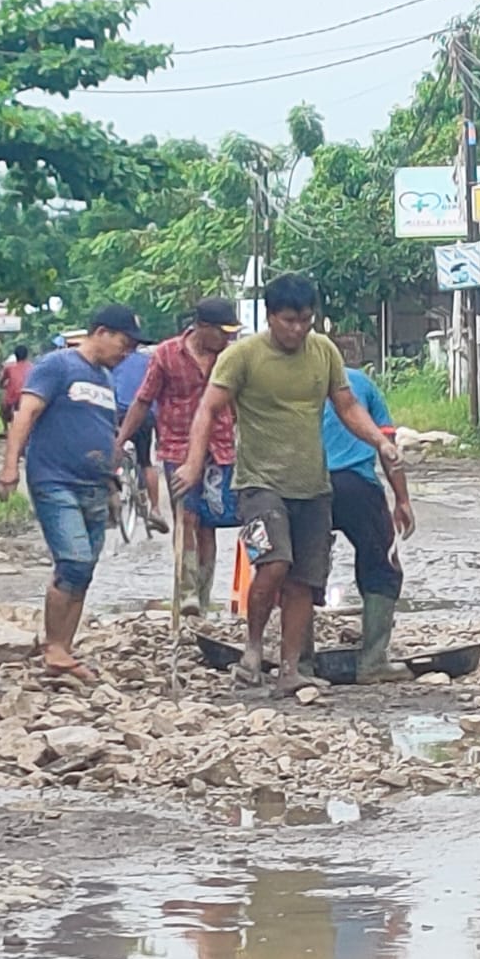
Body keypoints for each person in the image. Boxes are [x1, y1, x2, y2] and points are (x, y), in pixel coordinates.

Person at [174, 274, 402, 697]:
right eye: (289, 321)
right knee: (274, 564)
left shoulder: (324, 353)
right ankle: (254, 649)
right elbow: (208, 409)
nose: (297, 329)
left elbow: (347, 405)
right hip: (259, 484)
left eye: (305, 320)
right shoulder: (242, 356)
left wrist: (379, 443)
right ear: (270, 316)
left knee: (304, 580)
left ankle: (292, 669)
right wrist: (191, 463)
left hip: (313, 485)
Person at [0, 306, 144, 681]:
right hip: (54, 479)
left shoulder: (106, 380)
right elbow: (25, 413)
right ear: (101, 332)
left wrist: (113, 482)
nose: (125, 353)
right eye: (123, 343)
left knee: (85, 569)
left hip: (95, 483)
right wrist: (10, 466)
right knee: (73, 560)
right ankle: (54, 648)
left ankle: (62, 648)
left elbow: (104, 432)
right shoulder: (56, 365)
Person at [113, 296, 242, 616]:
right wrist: (120, 440)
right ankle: (186, 593)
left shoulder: (231, 357)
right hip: (177, 448)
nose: (228, 338)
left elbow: (243, 402)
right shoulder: (166, 355)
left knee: (209, 523)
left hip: (220, 448)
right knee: (187, 516)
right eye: (223, 332)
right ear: (201, 328)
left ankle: (204, 590)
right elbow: (144, 401)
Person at [322, 366, 416, 683]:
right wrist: (402, 499)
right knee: (382, 565)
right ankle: (373, 660)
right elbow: (388, 448)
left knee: (301, 570)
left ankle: (298, 661)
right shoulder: (361, 383)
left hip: (305, 486)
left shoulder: (291, 383)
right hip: (356, 485)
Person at [111, 338, 169, 535]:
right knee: (146, 461)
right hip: (146, 415)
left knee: (114, 451)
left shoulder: (114, 361)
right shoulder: (150, 361)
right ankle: (155, 509)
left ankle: (112, 491)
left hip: (119, 414)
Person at [0, 344, 32, 435]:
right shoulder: (32, 367)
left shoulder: (9, 367)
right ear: (27, 355)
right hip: (27, 395)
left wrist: (2, 385)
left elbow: (1, 381)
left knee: (3, 410)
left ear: (15, 355)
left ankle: (5, 429)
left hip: (12, 397)